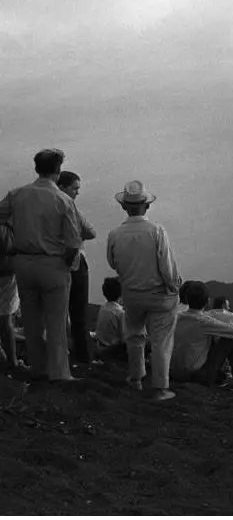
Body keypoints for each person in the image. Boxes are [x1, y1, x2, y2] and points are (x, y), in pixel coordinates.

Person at [0, 149, 82, 384]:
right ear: (58, 171)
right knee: (56, 322)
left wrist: (13, 239)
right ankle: (60, 373)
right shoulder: (63, 200)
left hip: (23, 263)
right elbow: (73, 243)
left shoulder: (17, 194)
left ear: (36, 168)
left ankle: (38, 369)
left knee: (31, 322)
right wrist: (65, 264)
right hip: (52, 264)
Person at [107, 180, 181, 401]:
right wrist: (173, 286)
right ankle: (160, 387)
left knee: (134, 336)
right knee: (161, 340)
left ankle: (136, 378)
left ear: (124, 206)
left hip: (131, 295)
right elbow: (167, 267)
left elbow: (112, 262)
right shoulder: (157, 231)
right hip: (158, 296)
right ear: (147, 205)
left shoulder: (114, 234)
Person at [170, 281, 233, 389]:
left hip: (173, 373)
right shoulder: (204, 321)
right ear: (207, 302)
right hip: (195, 376)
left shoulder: (176, 317)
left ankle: (224, 376)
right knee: (230, 338)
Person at [57, 171, 98, 366]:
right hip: (74, 263)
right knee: (79, 312)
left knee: (57, 312)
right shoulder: (70, 207)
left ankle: (60, 354)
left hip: (51, 263)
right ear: (62, 187)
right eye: (75, 188)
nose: (77, 193)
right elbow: (91, 232)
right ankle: (84, 357)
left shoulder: (44, 207)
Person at [94, 276, 126, 361]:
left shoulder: (103, 307)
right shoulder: (120, 313)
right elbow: (124, 339)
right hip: (112, 349)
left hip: (100, 345)